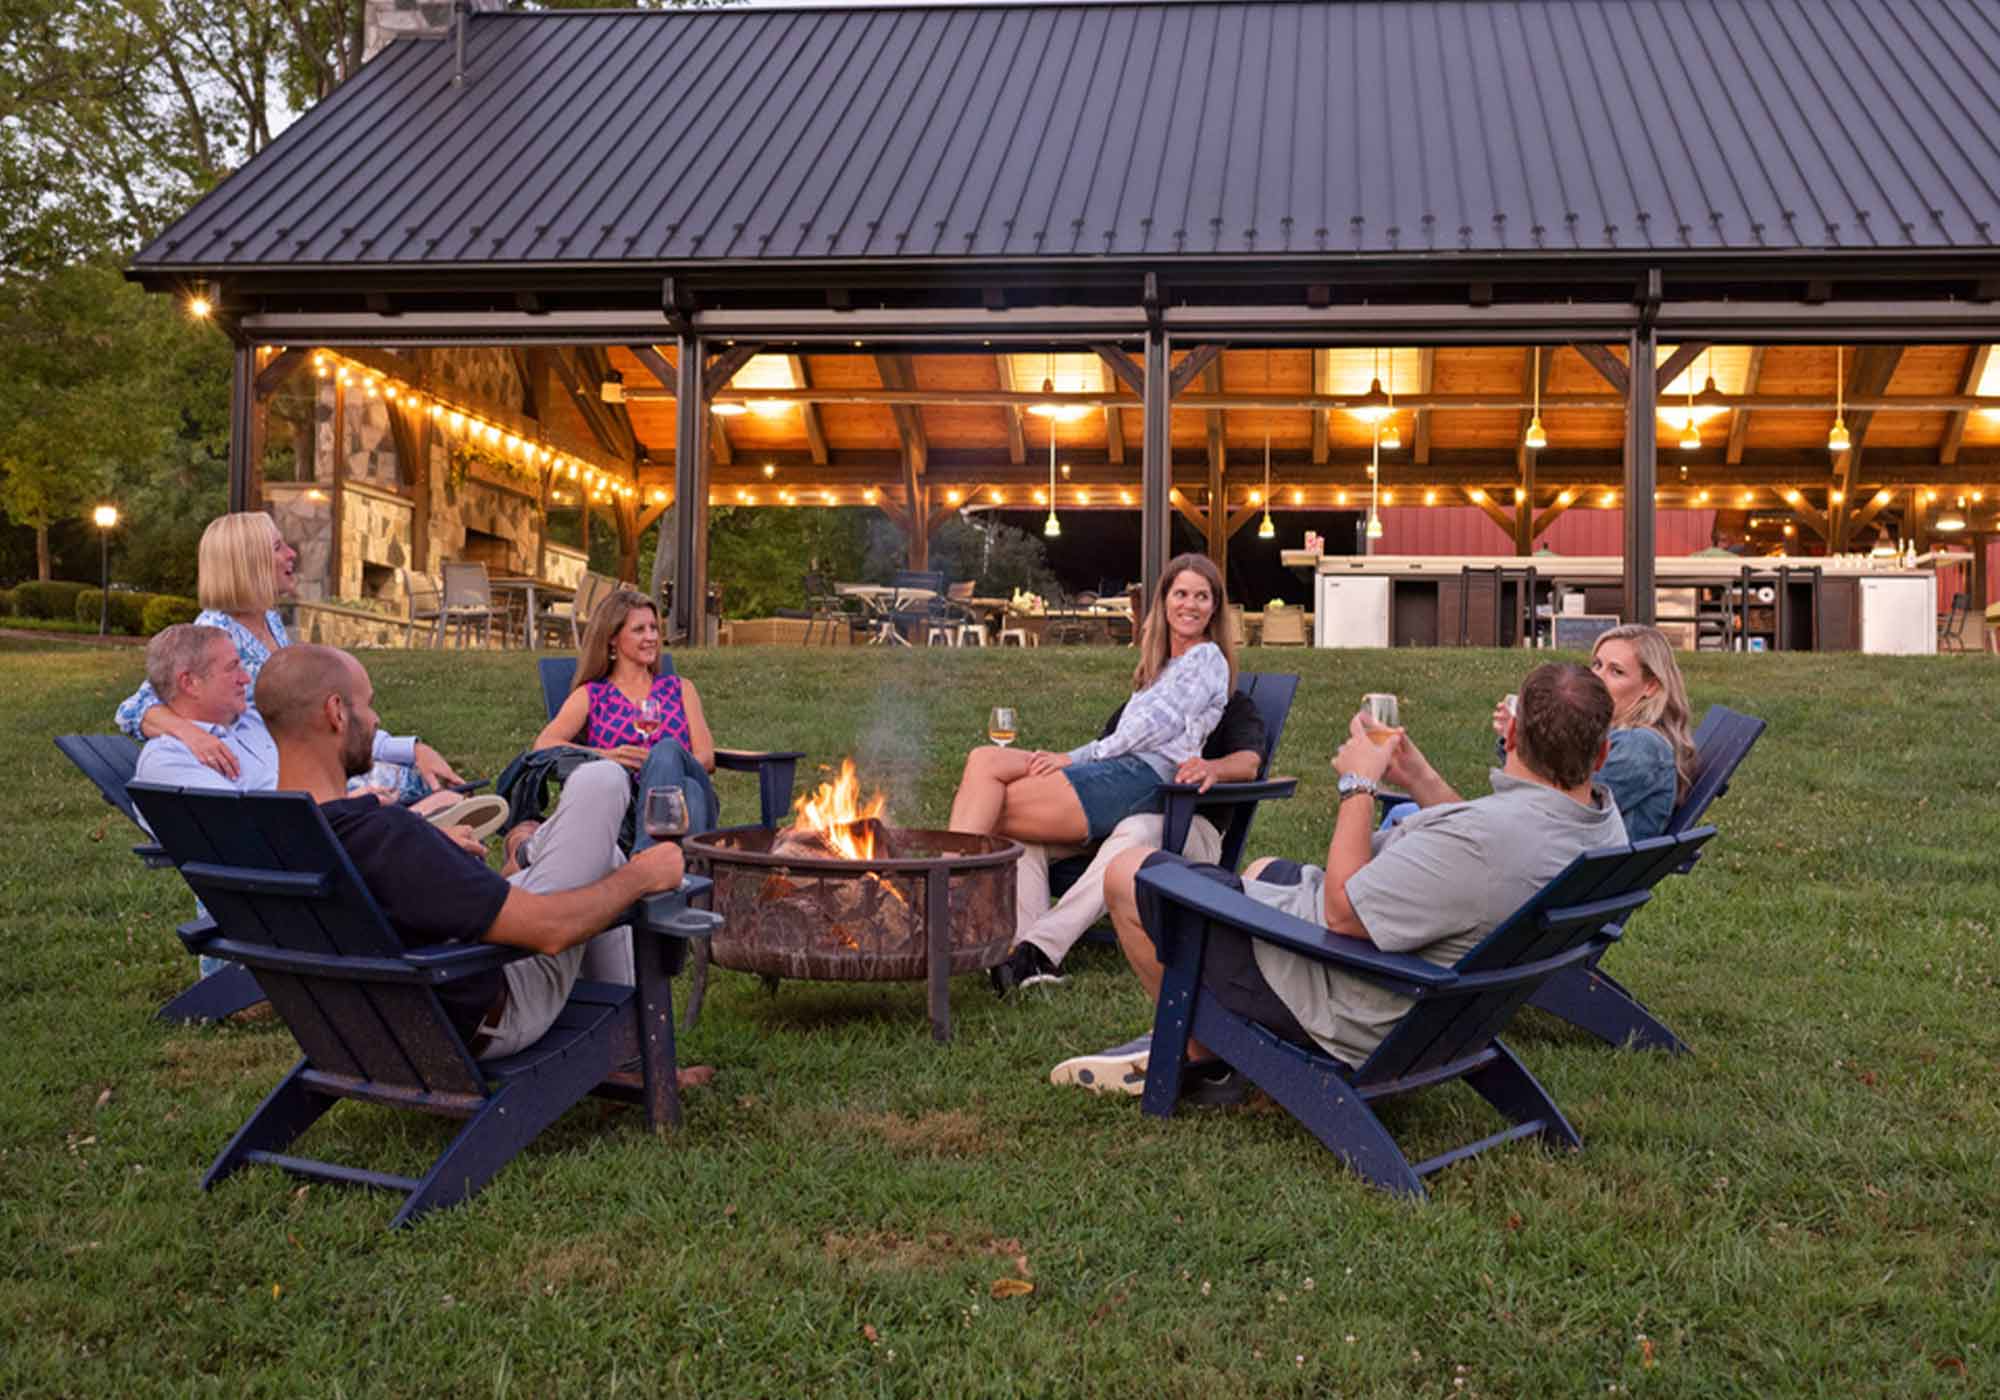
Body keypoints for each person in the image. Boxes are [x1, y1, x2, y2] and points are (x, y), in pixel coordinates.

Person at [1062, 662, 1627, 1104]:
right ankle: (1208, 1041)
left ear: (1513, 739)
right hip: (1445, 1005)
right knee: (1264, 870)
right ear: (1600, 752)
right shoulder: (1599, 824)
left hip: (1350, 1001)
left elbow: (1343, 916)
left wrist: (1360, 785)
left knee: (1128, 873)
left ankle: (1197, 1046)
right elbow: (1486, 842)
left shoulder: (1484, 840)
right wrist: (1419, 777)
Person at [254, 645, 709, 1081]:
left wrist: (432, 846)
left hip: (361, 1025)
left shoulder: (265, 833)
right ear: (336, 712)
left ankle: (530, 853)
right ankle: (530, 852)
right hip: (486, 1012)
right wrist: (642, 874)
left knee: (603, 853)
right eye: (368, 706)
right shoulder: (384, 836)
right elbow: (550, 931)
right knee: (604, 782)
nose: (375, 720)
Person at [114, 511, 462, 800]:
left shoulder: (266, 622)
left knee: (426, 779)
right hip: (281, 777)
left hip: (314, 753)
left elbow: (317, 711)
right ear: (247, 563)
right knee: (422, 789)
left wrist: (411, 748)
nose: (291, 554)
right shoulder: (216, 635)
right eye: (278, 547)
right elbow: (134, 709)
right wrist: (192, 735)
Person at [947, 553, 1233, 852]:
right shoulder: (1162, 664)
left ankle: (945, 887)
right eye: (1181, 594)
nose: (1190, 605)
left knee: (986, 803)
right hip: (1116, 767)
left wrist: (1076, 757)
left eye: (1202, 597)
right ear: (1164, 602)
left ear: (1214, 608)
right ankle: (949, 881)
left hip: (1145, 779)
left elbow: (1152, 729)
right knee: (985, 759)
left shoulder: (1206, 658)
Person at [990, 686, 1267, 995]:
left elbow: (1248, 763)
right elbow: (1102, 759)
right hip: (1116, 824)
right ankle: (1022, 954)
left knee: (1136, 829)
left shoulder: (1231, 702)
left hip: (1190, 828)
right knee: (1026, 833)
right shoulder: (1142, 705)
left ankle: (1042, 947)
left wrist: (1211, 768)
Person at [531, 588, 718, 847]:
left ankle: (645, 856)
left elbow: (706, 758)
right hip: (625, 809)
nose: (651, 637)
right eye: (639, 630)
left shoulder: (681, 688)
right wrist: (609, 755)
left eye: (654, 628)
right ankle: (677, 871)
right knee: (691, 792)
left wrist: (662, 764)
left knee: (668, 753)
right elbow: (544, 745)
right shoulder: (592, 695)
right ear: (612, 639)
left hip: (684, 798)